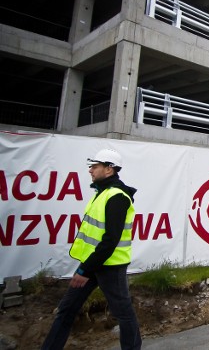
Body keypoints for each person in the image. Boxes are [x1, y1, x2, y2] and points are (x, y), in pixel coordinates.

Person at [42, 149, 142, 350]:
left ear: (109, 169)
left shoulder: (117, 196)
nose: (90, 170)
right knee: (67, 309)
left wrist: (84, 271)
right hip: (93, 262)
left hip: (110, 266)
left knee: (123, 313)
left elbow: (110, 240)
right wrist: (87, 266)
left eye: (95, 166)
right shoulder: (102, 193)